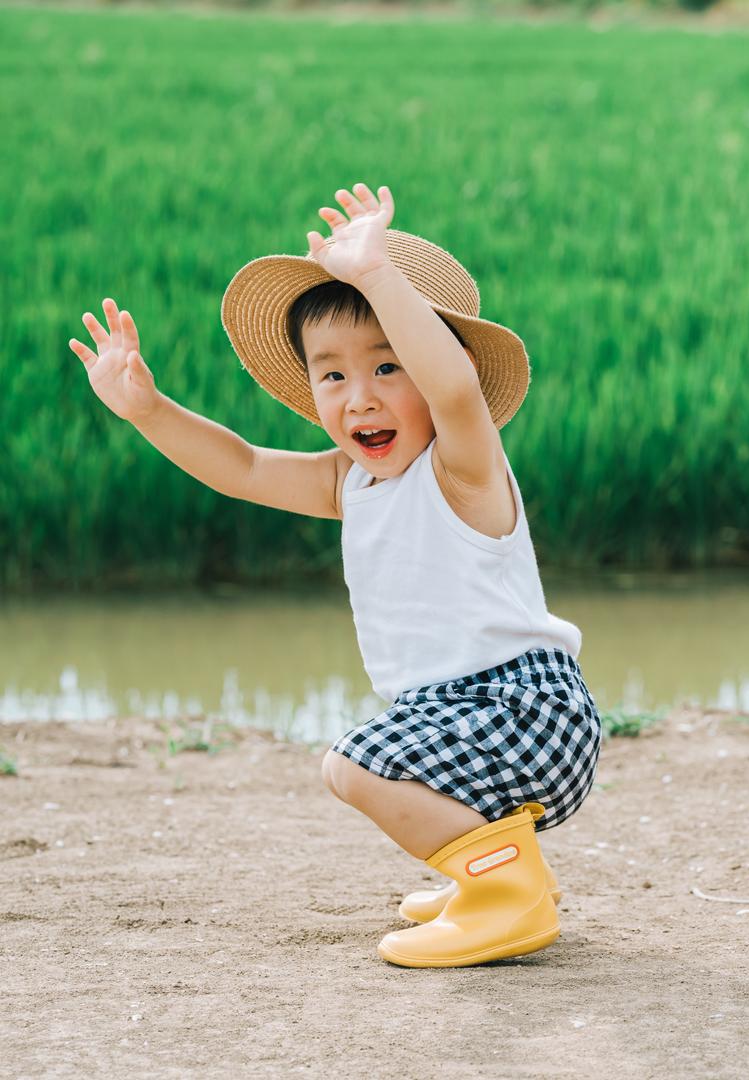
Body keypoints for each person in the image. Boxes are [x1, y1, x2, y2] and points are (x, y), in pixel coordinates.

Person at [69, 181, 603, 968]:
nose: (361, 399)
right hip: (465, 717)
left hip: (525, 709)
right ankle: (490, 871)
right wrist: (150, 411)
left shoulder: (462, 468)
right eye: (333, 376)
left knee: (354, 763)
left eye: (389, 367)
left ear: (434, 362)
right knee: (374, 755)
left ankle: (506, 889)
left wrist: (377, 275)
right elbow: (244, 467)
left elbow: (455, 392)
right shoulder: (349, 483)